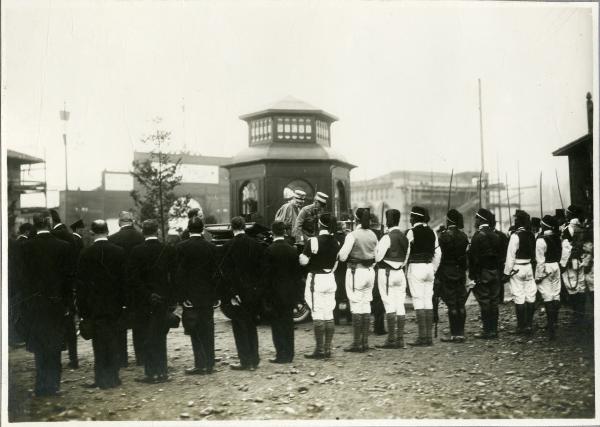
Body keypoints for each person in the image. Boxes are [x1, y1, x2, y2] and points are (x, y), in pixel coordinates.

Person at [20, 212, 72, 396]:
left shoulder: (26, 247)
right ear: (50, 223)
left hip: (35, 304)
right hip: (56, 304)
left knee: (40, 347)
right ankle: (54, 385)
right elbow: (68, 279)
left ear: (34, 224)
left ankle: (41, 386)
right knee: (54, 346)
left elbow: (22, 280)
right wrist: (67, 304)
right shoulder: (63, 247)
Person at [76, 220, 125, 388]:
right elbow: (124, 281)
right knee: (114, 340)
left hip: (94, 306)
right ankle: (114, 377)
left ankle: (101, 379)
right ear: (108, 231)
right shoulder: (119, 252)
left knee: (98, 343)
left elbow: (81, 286)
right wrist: (125, 304)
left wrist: (82, 311)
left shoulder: (85, 254)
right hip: (115, 305)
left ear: (92, 232)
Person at [129, 220, 176, 383]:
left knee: (147, 336)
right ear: (157, 231)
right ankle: (162, 372)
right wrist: (169, 298)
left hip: (145, 301)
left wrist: (148, 295)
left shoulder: (136, 251)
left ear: (143, 231)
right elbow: (172, 277)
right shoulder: (167, 249)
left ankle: (151, 373)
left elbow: (134, 279)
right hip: (163, 299)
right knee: (160, 335)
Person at [219, 216, 265, 370]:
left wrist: (232, 293)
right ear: (245, 227)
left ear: (232, 228)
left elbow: (225, 274)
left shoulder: (227, 247)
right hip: (253, 292)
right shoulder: (256, 245)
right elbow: (261, 271)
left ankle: (245, 361)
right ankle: (255, 359)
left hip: (237, 295)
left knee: (239, 326)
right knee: (251, 325)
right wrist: (257, 290)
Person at [175, 216, 219, 375]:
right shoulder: (212, 248)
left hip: (190, 298)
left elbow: (178, 275)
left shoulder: (181, 247)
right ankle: (210, 364)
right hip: (207, 296)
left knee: (195, 330)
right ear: (202, 229)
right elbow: (216, 274)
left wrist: (182, 297)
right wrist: (216, 296)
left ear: (188, 228)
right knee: (208, 329)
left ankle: (200, 364)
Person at [299, 214, 340, 359]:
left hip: (316, 279)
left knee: (317, 313)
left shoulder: (313, 241)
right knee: (329, 314)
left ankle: (319, 349)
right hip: (330, 278)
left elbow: (303, 261)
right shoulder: (336, 242)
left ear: (320, 225)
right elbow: (337, 262)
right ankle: (328, 349)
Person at [338, 208, 378, 352]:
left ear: (356, 220)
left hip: (356, 271)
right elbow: (377, 256)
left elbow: (342, 256)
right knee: (366, 305)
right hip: (370, 271)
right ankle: (365, 342)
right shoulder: (373, 235)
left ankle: (356, 343)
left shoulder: (352, 235)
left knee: (355, 305)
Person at [263, 221, 303, 363]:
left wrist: (266, 295)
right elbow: (297, 275)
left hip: (275, 294)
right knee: (288, 323)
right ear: (284, 232)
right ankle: (290, 354)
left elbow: (266, 276)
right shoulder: (292, 250)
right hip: (289, 293)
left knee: (277, 325)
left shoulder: (269, 250)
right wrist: (297, 295)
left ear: (272, 232)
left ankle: (281, 354)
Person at [108, 211, 145, 367]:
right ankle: (141, 358)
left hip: (118, 288)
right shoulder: (142, 238)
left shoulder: (112, 239)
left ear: (119, 222)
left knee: (119, 324)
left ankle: (121, 359)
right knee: (140, 323)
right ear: (133, 221)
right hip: (139, 288)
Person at [405, 206, 441, 346]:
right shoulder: (432, 232)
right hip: (429, 268)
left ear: (414, 218)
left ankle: (422, 337)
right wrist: (433, 268)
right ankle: (429, 337)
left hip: (416, 268)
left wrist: (403, 267)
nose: (410, 219)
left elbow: (407, 252)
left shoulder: (411, 232)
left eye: (411, 217)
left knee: (418, 301)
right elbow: (438, 253)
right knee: (428, 301)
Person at [374, 209, 409, 349]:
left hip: (387, 273)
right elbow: (406, 258)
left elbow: (377, 257)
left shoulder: (386, 237)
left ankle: (391, 339)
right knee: (400, 304)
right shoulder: (405, 237)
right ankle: (400, 339)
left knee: (389, 305)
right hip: (400, 272)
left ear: (389, 221)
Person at [436, 209, 469, 343]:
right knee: (461, 302)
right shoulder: (464, 236)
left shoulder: (444, 236)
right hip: (460, 271)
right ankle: (461, 333)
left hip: (447, 271)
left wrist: (441, 233)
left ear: (449, 220)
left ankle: (454, 334)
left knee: (451, 303)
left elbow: (439, 254)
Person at [503, 209, 537, 335]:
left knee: (519, 297)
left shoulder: (515, 236)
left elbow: (510, 256)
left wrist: (506, 273)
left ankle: (521, 326)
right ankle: (529, 325)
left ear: (518, 221)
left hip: (517, 267)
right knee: (530, 296)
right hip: (528, 267)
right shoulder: (531, 235)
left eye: (516, 219)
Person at [534, 215, 562, 340]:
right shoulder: (557, 237)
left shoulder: (541, 240)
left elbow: (540, 260)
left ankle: (551, 328)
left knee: (547, 297)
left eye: (542, 224)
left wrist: (539, 276)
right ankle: (554, 322)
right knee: (556, 294)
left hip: (546, 267)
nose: (540, 225)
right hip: (556, 266)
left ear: (545, 225)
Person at [560, 205, 587, 325]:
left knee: (572, 286)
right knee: (581, 286)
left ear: (571, 214)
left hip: (571, 262)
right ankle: (581, 314)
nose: (566, 214)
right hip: (582, 260)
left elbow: (566, 248)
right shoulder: (582, 227)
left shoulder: (568, 228)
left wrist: (562, 264)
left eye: (567, 213)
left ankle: (577, 315)